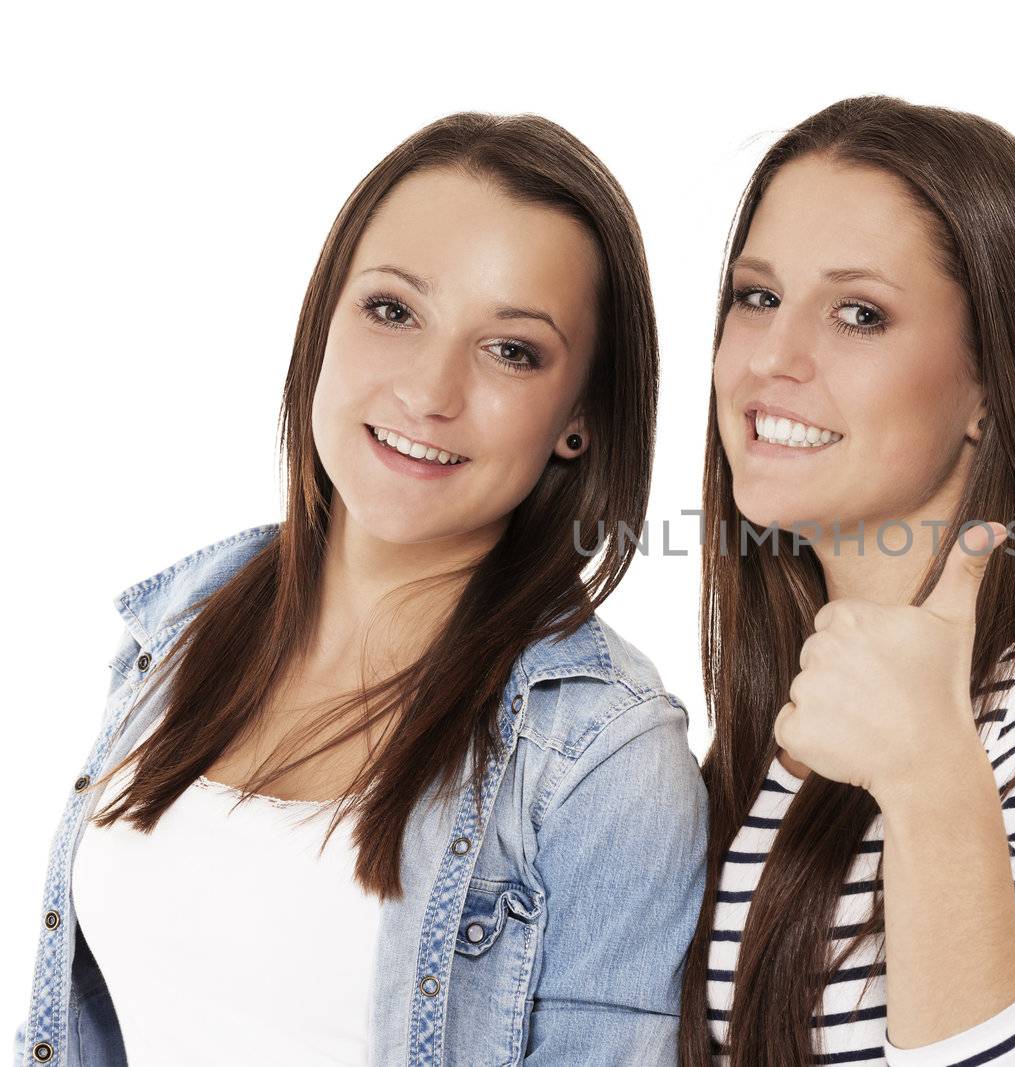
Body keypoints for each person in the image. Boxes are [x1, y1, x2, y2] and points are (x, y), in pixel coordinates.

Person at [15, 111, 707, 1067]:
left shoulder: (602, 755)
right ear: (326, 323)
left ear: (577, 418)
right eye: (394, 311)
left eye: (511, 350)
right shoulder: (178, 624)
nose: (430, 390)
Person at [679, 96, 1015, 1066]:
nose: (771, 356)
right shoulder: (774, 704)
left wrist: (932, 782)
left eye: (858, 314)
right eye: (755, 295)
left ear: (985, 384)